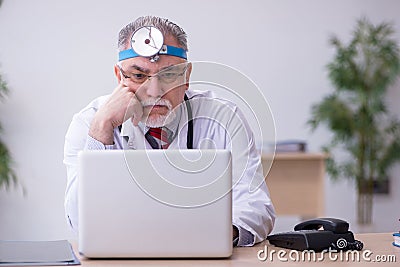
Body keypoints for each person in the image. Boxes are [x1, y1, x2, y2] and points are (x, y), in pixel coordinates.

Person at [63, 15, 275, 247]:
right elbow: (79, 222)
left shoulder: (224, 118)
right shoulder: (89, 122)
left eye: (169, 75)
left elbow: (256, 205)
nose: (154, 91)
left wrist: (217, 235)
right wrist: (100, 131)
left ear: (186, 77)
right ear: (118, 77)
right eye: (138, 76)